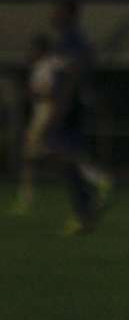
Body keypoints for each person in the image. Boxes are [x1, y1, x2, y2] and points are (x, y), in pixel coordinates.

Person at [44, 0, 113, 235]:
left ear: (69, 13)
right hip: (71, 106)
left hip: (68, 108)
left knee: (57, 149)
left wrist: (58, 109)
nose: (52, 14)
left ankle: (96, 182)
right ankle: (84, 214)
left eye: (57, 9)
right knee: (65, 156)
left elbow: (73, 77)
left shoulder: (71, 40)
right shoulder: (69, 40)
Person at [9, 34, 60, 216]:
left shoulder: (47, 65)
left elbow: (49, 90)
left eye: (34, 48)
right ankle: (25, 197)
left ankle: (25, 198)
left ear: (41, 50)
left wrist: (32, 91)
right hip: (43, 111)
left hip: (46, 112)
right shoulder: (44, 65)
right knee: (34, 154)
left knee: (35, 155)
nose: (31, 52)